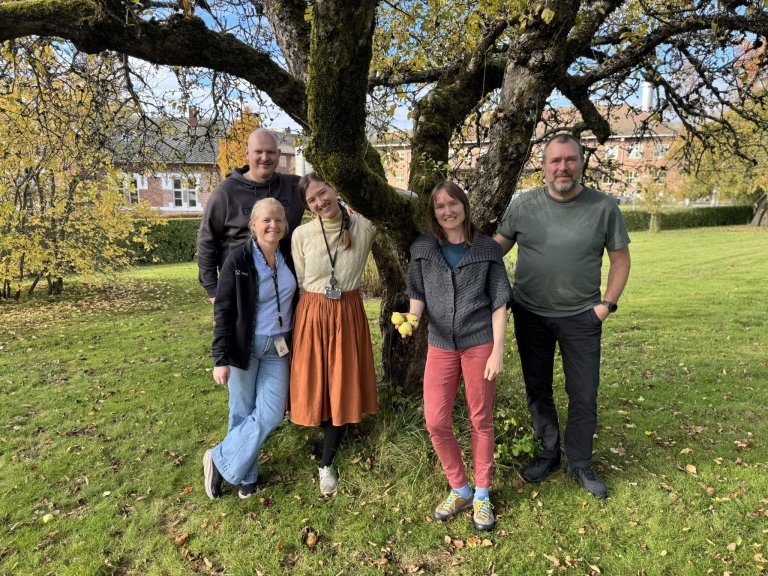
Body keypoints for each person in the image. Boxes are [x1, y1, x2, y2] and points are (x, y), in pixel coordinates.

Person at [493, 133, 631, 499]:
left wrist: (607, 305)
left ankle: (581, 463)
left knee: (583, 393)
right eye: (555, 160)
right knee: (538, 388)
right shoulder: (523, 206)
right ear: (543, 166)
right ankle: (548, 452)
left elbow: (620, 260)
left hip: (582, 317)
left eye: (570, 159)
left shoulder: (603, 208)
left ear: (581, 163)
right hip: (530, 314)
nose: (563, 167)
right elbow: (495, 251)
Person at [404, 181, 512, 531]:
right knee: (435, 420)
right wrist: (413, 319)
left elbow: (499, 302)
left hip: (479, 343)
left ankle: (482, 494)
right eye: (439, 206)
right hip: (440, 344)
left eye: (452, 203)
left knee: (481, 419)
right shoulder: (423, 248)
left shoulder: (487, 249)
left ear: (464, 206)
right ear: (433, 212)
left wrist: (498, 349)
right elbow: (417, 292)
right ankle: (459, 487)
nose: (447, 211)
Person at [289, 173, 378, 496]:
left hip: (347, 313)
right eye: (311, 200)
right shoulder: (301, 234)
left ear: (334, 187)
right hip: (312, 314)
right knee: (318, 381)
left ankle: (326, 464)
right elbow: (300, 281)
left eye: (322, 193)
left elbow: (403, 200)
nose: (319, 202)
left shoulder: (363, 226)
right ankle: (328, 429)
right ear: (307, 207)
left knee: (341, 381)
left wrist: (357, 196)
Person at [203, 197, 297, 500]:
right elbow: (225, 310)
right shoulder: (238, 260)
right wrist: (220, 357)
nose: (273, 225)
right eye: (266, 220)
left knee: (270, 414)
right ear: (253, 225)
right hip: (246, 346)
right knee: (242, 411)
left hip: (278, 347)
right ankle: (247, 477)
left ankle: (219, 458)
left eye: (279, 220)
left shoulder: (288, 257)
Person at [197, 128, 304, 303]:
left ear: (278, 154)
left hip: (284, 292)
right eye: (258, 152)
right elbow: (206, 241)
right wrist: (213, 291)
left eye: (270, 152)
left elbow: (323, 198)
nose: (264, 157)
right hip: (240, 290)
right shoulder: (226, 192)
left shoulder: (294, 187)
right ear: (247, 153)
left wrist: (347, 209)